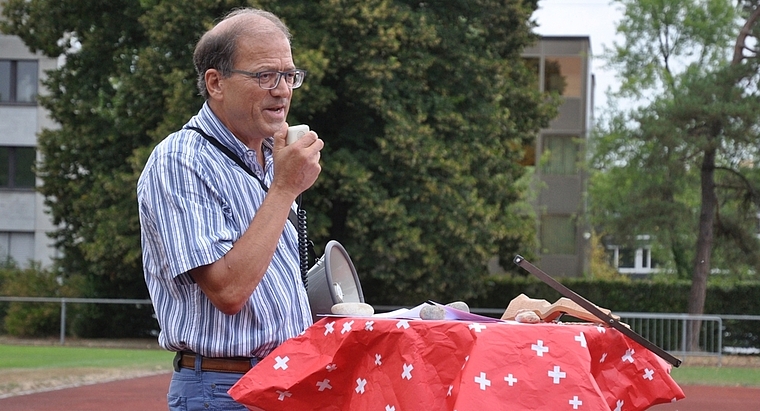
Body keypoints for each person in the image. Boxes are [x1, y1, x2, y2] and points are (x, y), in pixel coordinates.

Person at [137, 7, 323, 410]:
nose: (282, 89)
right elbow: (229, 290)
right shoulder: (180, 159)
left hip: (286, 383)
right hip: (223, 389)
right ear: (215, 83)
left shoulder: (272, 160)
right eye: (264, 75)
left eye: (289, 75)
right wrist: (285, 189)